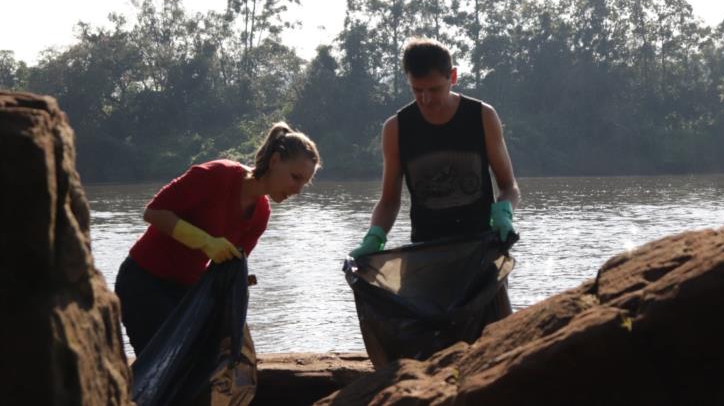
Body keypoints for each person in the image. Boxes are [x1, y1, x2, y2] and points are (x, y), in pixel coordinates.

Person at [349, 37, 521, 318]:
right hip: (425, 257)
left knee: (494, 339)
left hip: (479, 252)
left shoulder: (482, 116)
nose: (426, 99)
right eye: (417, 90)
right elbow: (389, 201)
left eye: (434, 89)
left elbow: (508, 185)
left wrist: (504, 211)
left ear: (452, 77)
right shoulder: (396, 129)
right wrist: (374, 237)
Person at [115, 121, 320, 356]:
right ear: (274, 161)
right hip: (143, 282)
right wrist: (205, 241)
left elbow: (224, 271)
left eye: (304, 183)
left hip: (186, 293)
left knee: (198, 367)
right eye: (295, 177)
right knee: (161, 366)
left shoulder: (261, 215)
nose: (297, 190)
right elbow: (153, 212)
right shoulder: (218, 174)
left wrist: (237, 282)